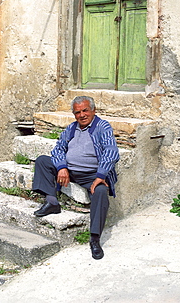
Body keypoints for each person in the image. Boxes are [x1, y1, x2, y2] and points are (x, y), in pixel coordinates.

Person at [32, 96, 119, 259]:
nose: (82, 115)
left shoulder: (102, 127)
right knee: (43, 161)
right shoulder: (71, 128)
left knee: (100, 192)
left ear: (93, 110)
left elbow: (111, 151)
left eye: (85, 110)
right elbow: (58, 149)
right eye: (77, 112)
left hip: (92, 175)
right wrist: (62, 167)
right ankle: (52, 202)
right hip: (70, 172)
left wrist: (101, 175)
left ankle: (94, 239)